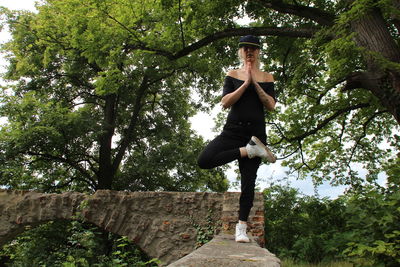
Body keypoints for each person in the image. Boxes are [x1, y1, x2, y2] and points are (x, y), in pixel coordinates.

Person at [197, 35, 277, 243]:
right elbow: (225, 102)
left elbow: (270, 105)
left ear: (259, 52)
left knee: (248, 182)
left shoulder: (268, 77)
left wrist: (256, 84)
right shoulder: (232, 74)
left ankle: (241, 227)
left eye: (253, 48)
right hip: (232, 131)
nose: (249, 51)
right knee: (204, 160)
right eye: (245, 48)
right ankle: (248, 150)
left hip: (255, 135)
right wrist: (245, 83)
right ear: (240, 52)